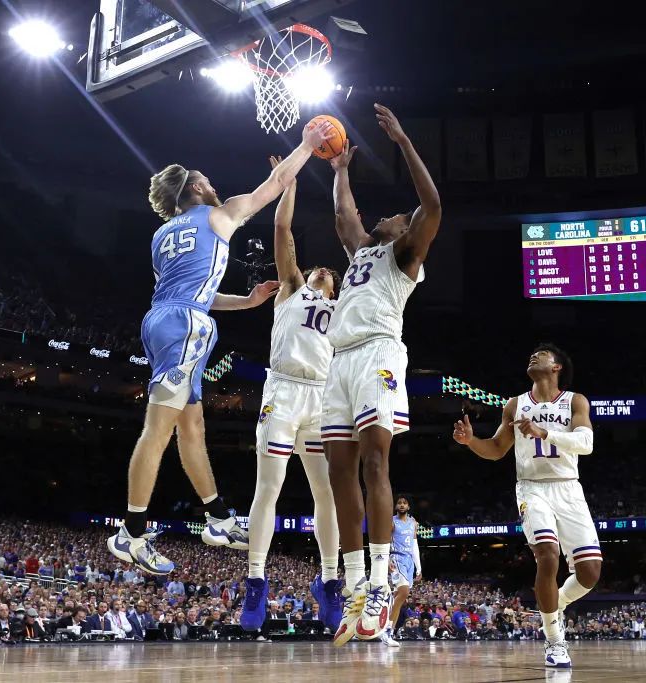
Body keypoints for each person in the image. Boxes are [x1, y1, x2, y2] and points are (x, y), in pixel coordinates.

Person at [107, 119, 336, 575]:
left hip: (166, 320)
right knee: (159, 430)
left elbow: (188, 290)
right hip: (185, 326)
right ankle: (130, 533)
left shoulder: (161, 236)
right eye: (207, 181)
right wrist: (307, 145)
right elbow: (273, 184)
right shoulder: (220, 212)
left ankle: (217, 518)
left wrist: (247, 301)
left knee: (192, 429)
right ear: (195, 186)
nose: (215, 186)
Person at [322, 104, 442, 646]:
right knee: (338, 472)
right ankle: (353, 591)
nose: (388, 217)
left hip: (378, 355)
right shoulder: (360, 255)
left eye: (395, 216)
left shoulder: (404, 256)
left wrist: (402, 140)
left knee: (374, 459)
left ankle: (377, 581)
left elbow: (432, 204)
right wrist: (341, 169)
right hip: (339, 359)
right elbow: (344, 218)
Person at [452, 343, 602, 669]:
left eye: (543, 355)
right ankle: (554, 641)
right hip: (531, 488)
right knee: (546, 554)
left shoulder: (575, 400)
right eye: (532, 355)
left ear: (557, 366)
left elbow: (586, 443)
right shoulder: (514, 405)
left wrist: (543, 431)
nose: (534, 356)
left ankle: (554, 603)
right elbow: (495, 449)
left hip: (568, 489)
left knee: (590, 574)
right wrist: (470, 442)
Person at [241, 155, 342, 633]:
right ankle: (256, 581)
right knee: (271, 488)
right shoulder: (292, 288)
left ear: (336, 285)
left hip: (321, 398)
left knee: (327, 491)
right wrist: (291, 182)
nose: (322, 270)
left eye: (329, 271)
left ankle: (329, 581)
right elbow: (283, 230)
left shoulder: (343, 308)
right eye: (317, 266)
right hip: (282, 389)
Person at [382, 496, 423, 648]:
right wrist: (386, 560)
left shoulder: (413, 523)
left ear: (409, 506)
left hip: (408, 561)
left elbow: (414, 546)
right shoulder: (392, 522)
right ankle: (387, 630)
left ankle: (388, 629)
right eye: (399, 502)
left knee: (399, 597)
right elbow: (385, 541)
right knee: (404, 592)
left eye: (404, 503)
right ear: (395, 506)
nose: (401, 505)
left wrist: (419, 567)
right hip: (396, 558)